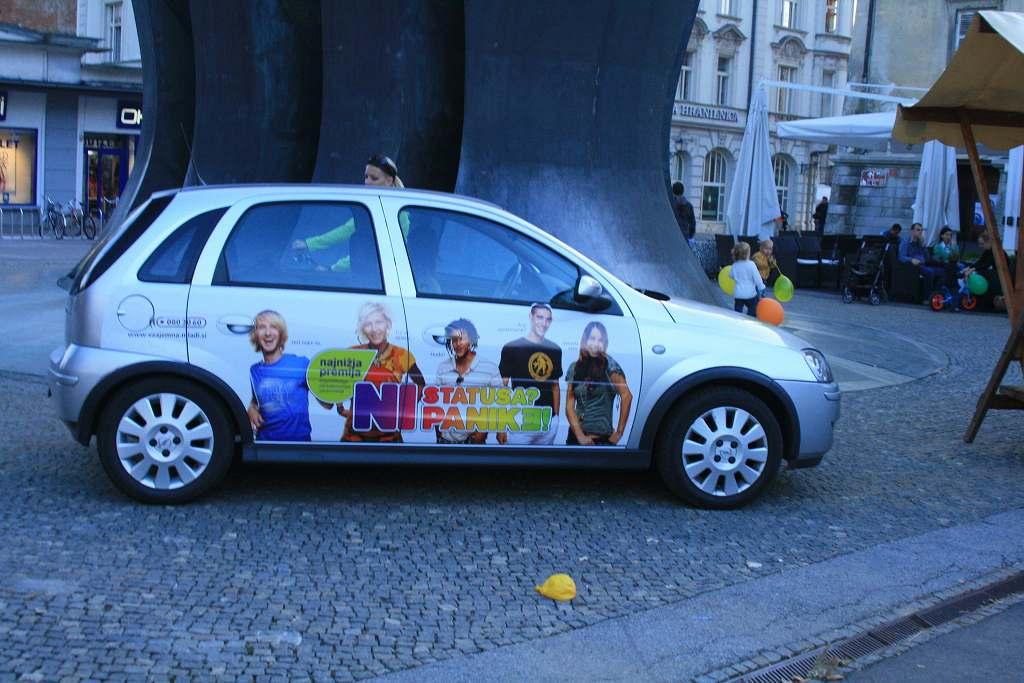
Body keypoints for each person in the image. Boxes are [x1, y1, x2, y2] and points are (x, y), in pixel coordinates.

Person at [291, 154, 407, 271]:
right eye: (366, 177)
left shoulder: (398, 215)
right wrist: (309, 244)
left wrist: (333, 269)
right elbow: (345, 231)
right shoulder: (372, 207)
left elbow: (375, 255)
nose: (367, 182)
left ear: (389, 181)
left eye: (374, 178)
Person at [337, 302, 425, 442]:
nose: (374, 329)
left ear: (388, 324)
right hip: (354, 436)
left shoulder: (402, 355)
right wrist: (340, 407)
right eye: (368, 324)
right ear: (362, 328)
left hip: (389, 437)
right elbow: (337, 380)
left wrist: (405, 409)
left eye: (379, 322)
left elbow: (421, 383)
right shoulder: (353, 353)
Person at [498, 303, 563, 445]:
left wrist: (556, 419)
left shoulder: (555, 350)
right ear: (530, 317)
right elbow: (502, 388)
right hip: (520, 421)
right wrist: (501, 425)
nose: (544, 323)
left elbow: (555, 386)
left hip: (547, 422)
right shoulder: (512, 348)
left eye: (548, 319)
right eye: (540, 317)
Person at [247, 310, 312, 442]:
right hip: (265, 443)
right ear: (255, 335)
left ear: (281, 334)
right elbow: (257, 400)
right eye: (262, 327)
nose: (268, 333)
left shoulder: (302, 363)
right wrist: (251, 408)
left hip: (300, 444)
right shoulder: (254, 370)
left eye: (273, 327)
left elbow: (326, 403)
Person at [564, 322, 633, 446]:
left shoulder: (610, 366)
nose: (596, 344)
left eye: (600, 340)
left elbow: (626, 396)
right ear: (585, 340)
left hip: (601, 440)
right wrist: (579, 436)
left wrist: (619, 432)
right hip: (575, 438)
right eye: (592, 338)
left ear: (604, 343)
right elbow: (569, 404)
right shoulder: (575, 367)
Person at [435, 318, 502, 444]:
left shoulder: (489, 368)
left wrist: (483, 432)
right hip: (446, 440)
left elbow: (500, 403)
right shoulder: (443, 368)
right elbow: (436, 404)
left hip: (474, 441)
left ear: (471, 340)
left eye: (462, 339)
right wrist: (439, 435)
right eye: (454, 339)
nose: (458, 344)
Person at [899, 223, 943, 297]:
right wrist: (911, 259)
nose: (920, 232)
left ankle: (937, 294)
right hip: (913, 266)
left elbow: (927, 257)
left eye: (921, 230)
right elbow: (901, 257)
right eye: (918, 230)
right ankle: (928, 297)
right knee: (930, 272)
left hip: (924, 264)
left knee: (942, 271)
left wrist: (923, 245)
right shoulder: (905, 241)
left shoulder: (920, 242)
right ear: (912, 231)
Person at [729, 241, 765, 317]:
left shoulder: (735, 265)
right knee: (753, 308)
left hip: (738, 294)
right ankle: (750, 318)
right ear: (748, 253)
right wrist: (761, 287)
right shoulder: (751, 264)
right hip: (750, 294)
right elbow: (757, 278)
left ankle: (736, 319)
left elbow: (731, 275)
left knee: (737, 311)